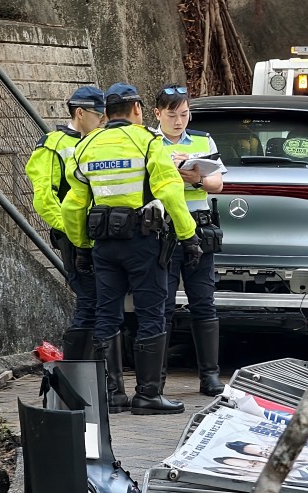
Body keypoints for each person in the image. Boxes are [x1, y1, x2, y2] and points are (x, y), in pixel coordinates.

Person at [61, 83, 204, 415]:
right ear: (138, 110)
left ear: (108, 112)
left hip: (103, 246)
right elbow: (170, 194)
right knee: (151, 313)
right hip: (143, 242)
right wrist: (189, 237)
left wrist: (82, 246)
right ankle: (148, 395)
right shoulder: (147, 143)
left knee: (107, 314)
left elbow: (72, 207)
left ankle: (113, 395)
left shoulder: (86, 147)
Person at [153, 84, 226, 397]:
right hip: (163, 227)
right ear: (158, 114)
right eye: (172, 115)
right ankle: (156, 379)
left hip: (199, 227)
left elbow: (218, 184)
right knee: (161, 304)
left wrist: (197, 178)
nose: (179, 121)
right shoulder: (147, 142)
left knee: (203, 302)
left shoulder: (202, 140)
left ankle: (210, 377)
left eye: (184, 114)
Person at [26, 86, 106, 361]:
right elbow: (44, 197)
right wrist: (73, 230)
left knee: (102, 302)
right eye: (99, 114)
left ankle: (95, 368)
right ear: (80, 113)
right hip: (73, 237)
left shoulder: (101, 140)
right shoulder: (53, 144)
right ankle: (76, 368)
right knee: (88, 300)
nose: (103, 119)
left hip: (101, 235)